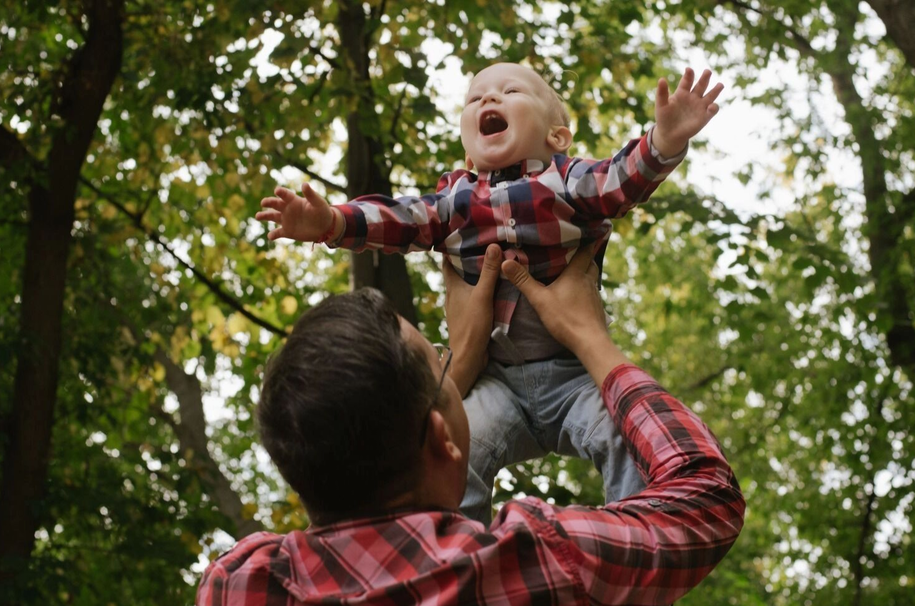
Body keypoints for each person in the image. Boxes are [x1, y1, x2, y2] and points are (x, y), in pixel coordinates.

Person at [195, 243, 745, 606]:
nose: (449, 360)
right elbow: (707, 500)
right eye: (441, 358)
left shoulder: (239, 598)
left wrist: (451, 371)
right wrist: (589, 338)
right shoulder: (538, 566)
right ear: (439, 436)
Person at [254, 62, 725, 526]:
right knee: (454, 454)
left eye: (511, 92)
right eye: (476, 98)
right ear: (466, 148)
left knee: (625, 434)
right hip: (496, 382)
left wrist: (664, 141)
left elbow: (622, 180)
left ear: (556, 137)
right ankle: (457, 560)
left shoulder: (568, 180)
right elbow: (400, 219)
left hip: (574, 375)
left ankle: (638, 539)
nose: (489, 99)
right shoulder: (454, 200)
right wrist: (330, 223)